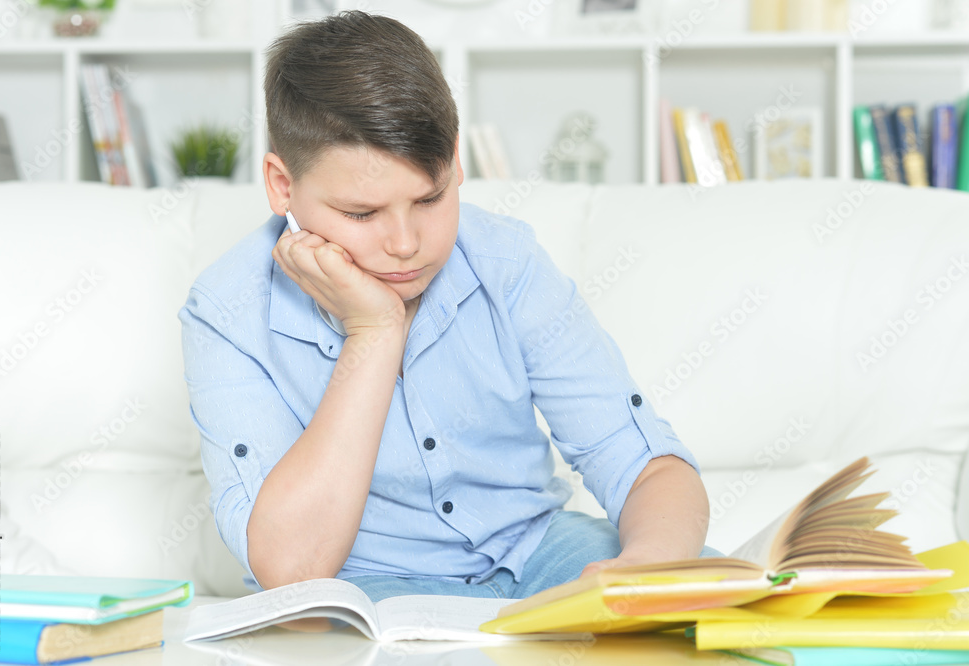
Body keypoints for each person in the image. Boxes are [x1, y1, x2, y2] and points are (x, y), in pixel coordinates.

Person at [179, 10, 718, 603]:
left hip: (539, 549)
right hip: (364, 587)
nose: (406, 243)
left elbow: (648, 465)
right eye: (362, 214)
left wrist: (643, 568)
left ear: (457, 160)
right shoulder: (227, 314)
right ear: (283, 187)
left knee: (709, 600)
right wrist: (373, 331)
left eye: (431, 197)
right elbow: (292, 566)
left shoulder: (506, 263)